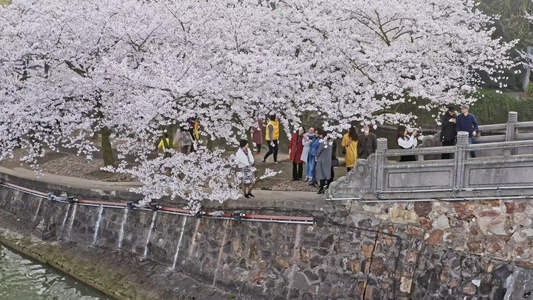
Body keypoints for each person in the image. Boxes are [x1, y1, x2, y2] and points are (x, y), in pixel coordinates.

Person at [315, 130, 333, 194]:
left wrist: (316, 156)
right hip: (328, 159)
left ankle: (321, 188)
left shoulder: (323, 143)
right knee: (327, 173)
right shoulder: (330, 143)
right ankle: (329, 187)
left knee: (322, 174)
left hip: (322, 159)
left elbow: (319, 151)